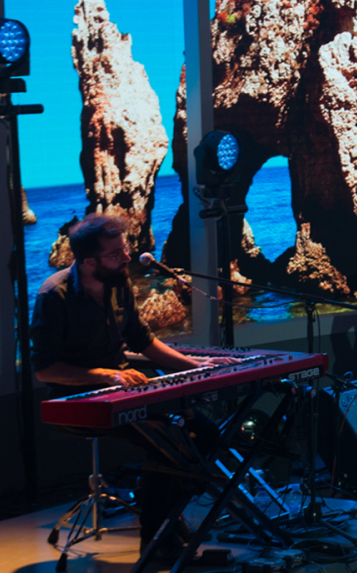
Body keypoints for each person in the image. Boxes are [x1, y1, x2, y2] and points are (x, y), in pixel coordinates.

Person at [31, 215, 227, 550]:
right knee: (169, 441)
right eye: (115, 253)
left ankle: (167, 516)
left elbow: (144, 340)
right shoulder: (55, 296)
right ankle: (157, 537)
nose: (126, 258)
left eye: (125, 250)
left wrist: (196, 366)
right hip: (79, 399)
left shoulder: (120, 283)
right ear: (88, 261)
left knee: (206, 434)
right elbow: (45, 370)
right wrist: (105, 375)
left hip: (126, 387)